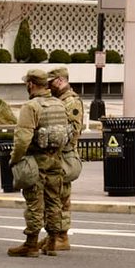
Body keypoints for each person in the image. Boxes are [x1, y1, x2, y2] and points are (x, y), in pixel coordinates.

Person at [7, 68, 69, 257]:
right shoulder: (59, 104)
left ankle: (31, 243)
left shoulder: (31, 107)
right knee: (54, 201)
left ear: (31, 84)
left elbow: (22, 139)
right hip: (55, 160)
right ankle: (52, 241)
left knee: (35, 202)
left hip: (36, 161)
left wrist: (15, 159)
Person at [48, 65, 85, 251]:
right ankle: (54, 235)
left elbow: (72, 130)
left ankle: (61, 236)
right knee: (54, 195)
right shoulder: (59, 100)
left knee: (62, 195)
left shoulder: (70, 102)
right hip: (57, 154)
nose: (49, 86)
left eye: (51, 82)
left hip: (64, 154)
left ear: (60, 80)